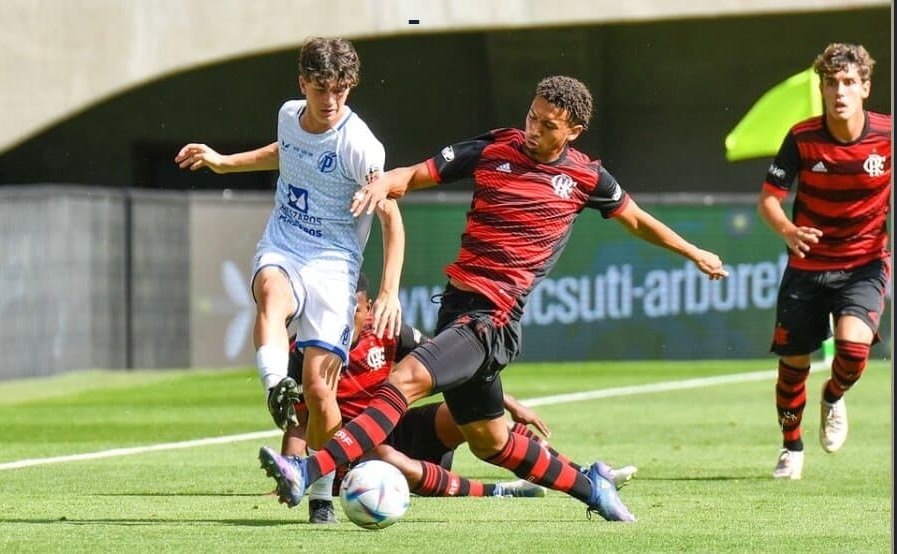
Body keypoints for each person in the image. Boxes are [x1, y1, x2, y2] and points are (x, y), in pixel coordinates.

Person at [259, 75, 728, 523]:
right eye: (532, 116)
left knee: (403, 380)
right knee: (489, 441)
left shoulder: (587, 178)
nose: (533, 129)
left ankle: (308, 470)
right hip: (457, 310)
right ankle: (593, 486)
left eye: (548, 125)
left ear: (573, 132)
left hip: (492, 319)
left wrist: (693, 252)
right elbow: (420, 173)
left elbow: (637, 220)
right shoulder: (494, 147)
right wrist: (384, 183)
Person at [174, 37, 404, 503]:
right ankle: (276, 384)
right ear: (303, 83)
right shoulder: (287, 114)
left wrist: (389, 291)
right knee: (270, 294)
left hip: (335, 265)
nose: (331, 100)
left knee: (320, 392)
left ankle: (320, 492)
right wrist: (223, 162)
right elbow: (285, 151)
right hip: (285, 242)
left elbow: (392, 218)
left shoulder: (360, 145)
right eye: (321, 89)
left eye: (340, 90)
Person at [268, 274, 638, 523]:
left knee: (470, 418)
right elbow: (300, 425)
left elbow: (446, 364)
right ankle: (498, 491)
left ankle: (584, 474)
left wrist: (509, 402)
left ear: (368, 309)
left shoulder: (386, 332)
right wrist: (290, 466)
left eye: (357, 308)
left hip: (398, 425)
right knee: (388, 457)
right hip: (354, 449)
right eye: (339, 308)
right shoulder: (303, 354)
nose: (348, 316)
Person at [757, 43, 891, 480]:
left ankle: (833, 395)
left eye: (849, 82)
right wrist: (788, 231)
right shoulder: (802, 137)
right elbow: (769, 201)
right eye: (831, 83)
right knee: (794, 364)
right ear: (821, 88)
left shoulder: (888, 136)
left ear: (865, 88)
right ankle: (791, 448)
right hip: (808, 264)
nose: (840, 91)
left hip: (864, 263)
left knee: (853, 349)